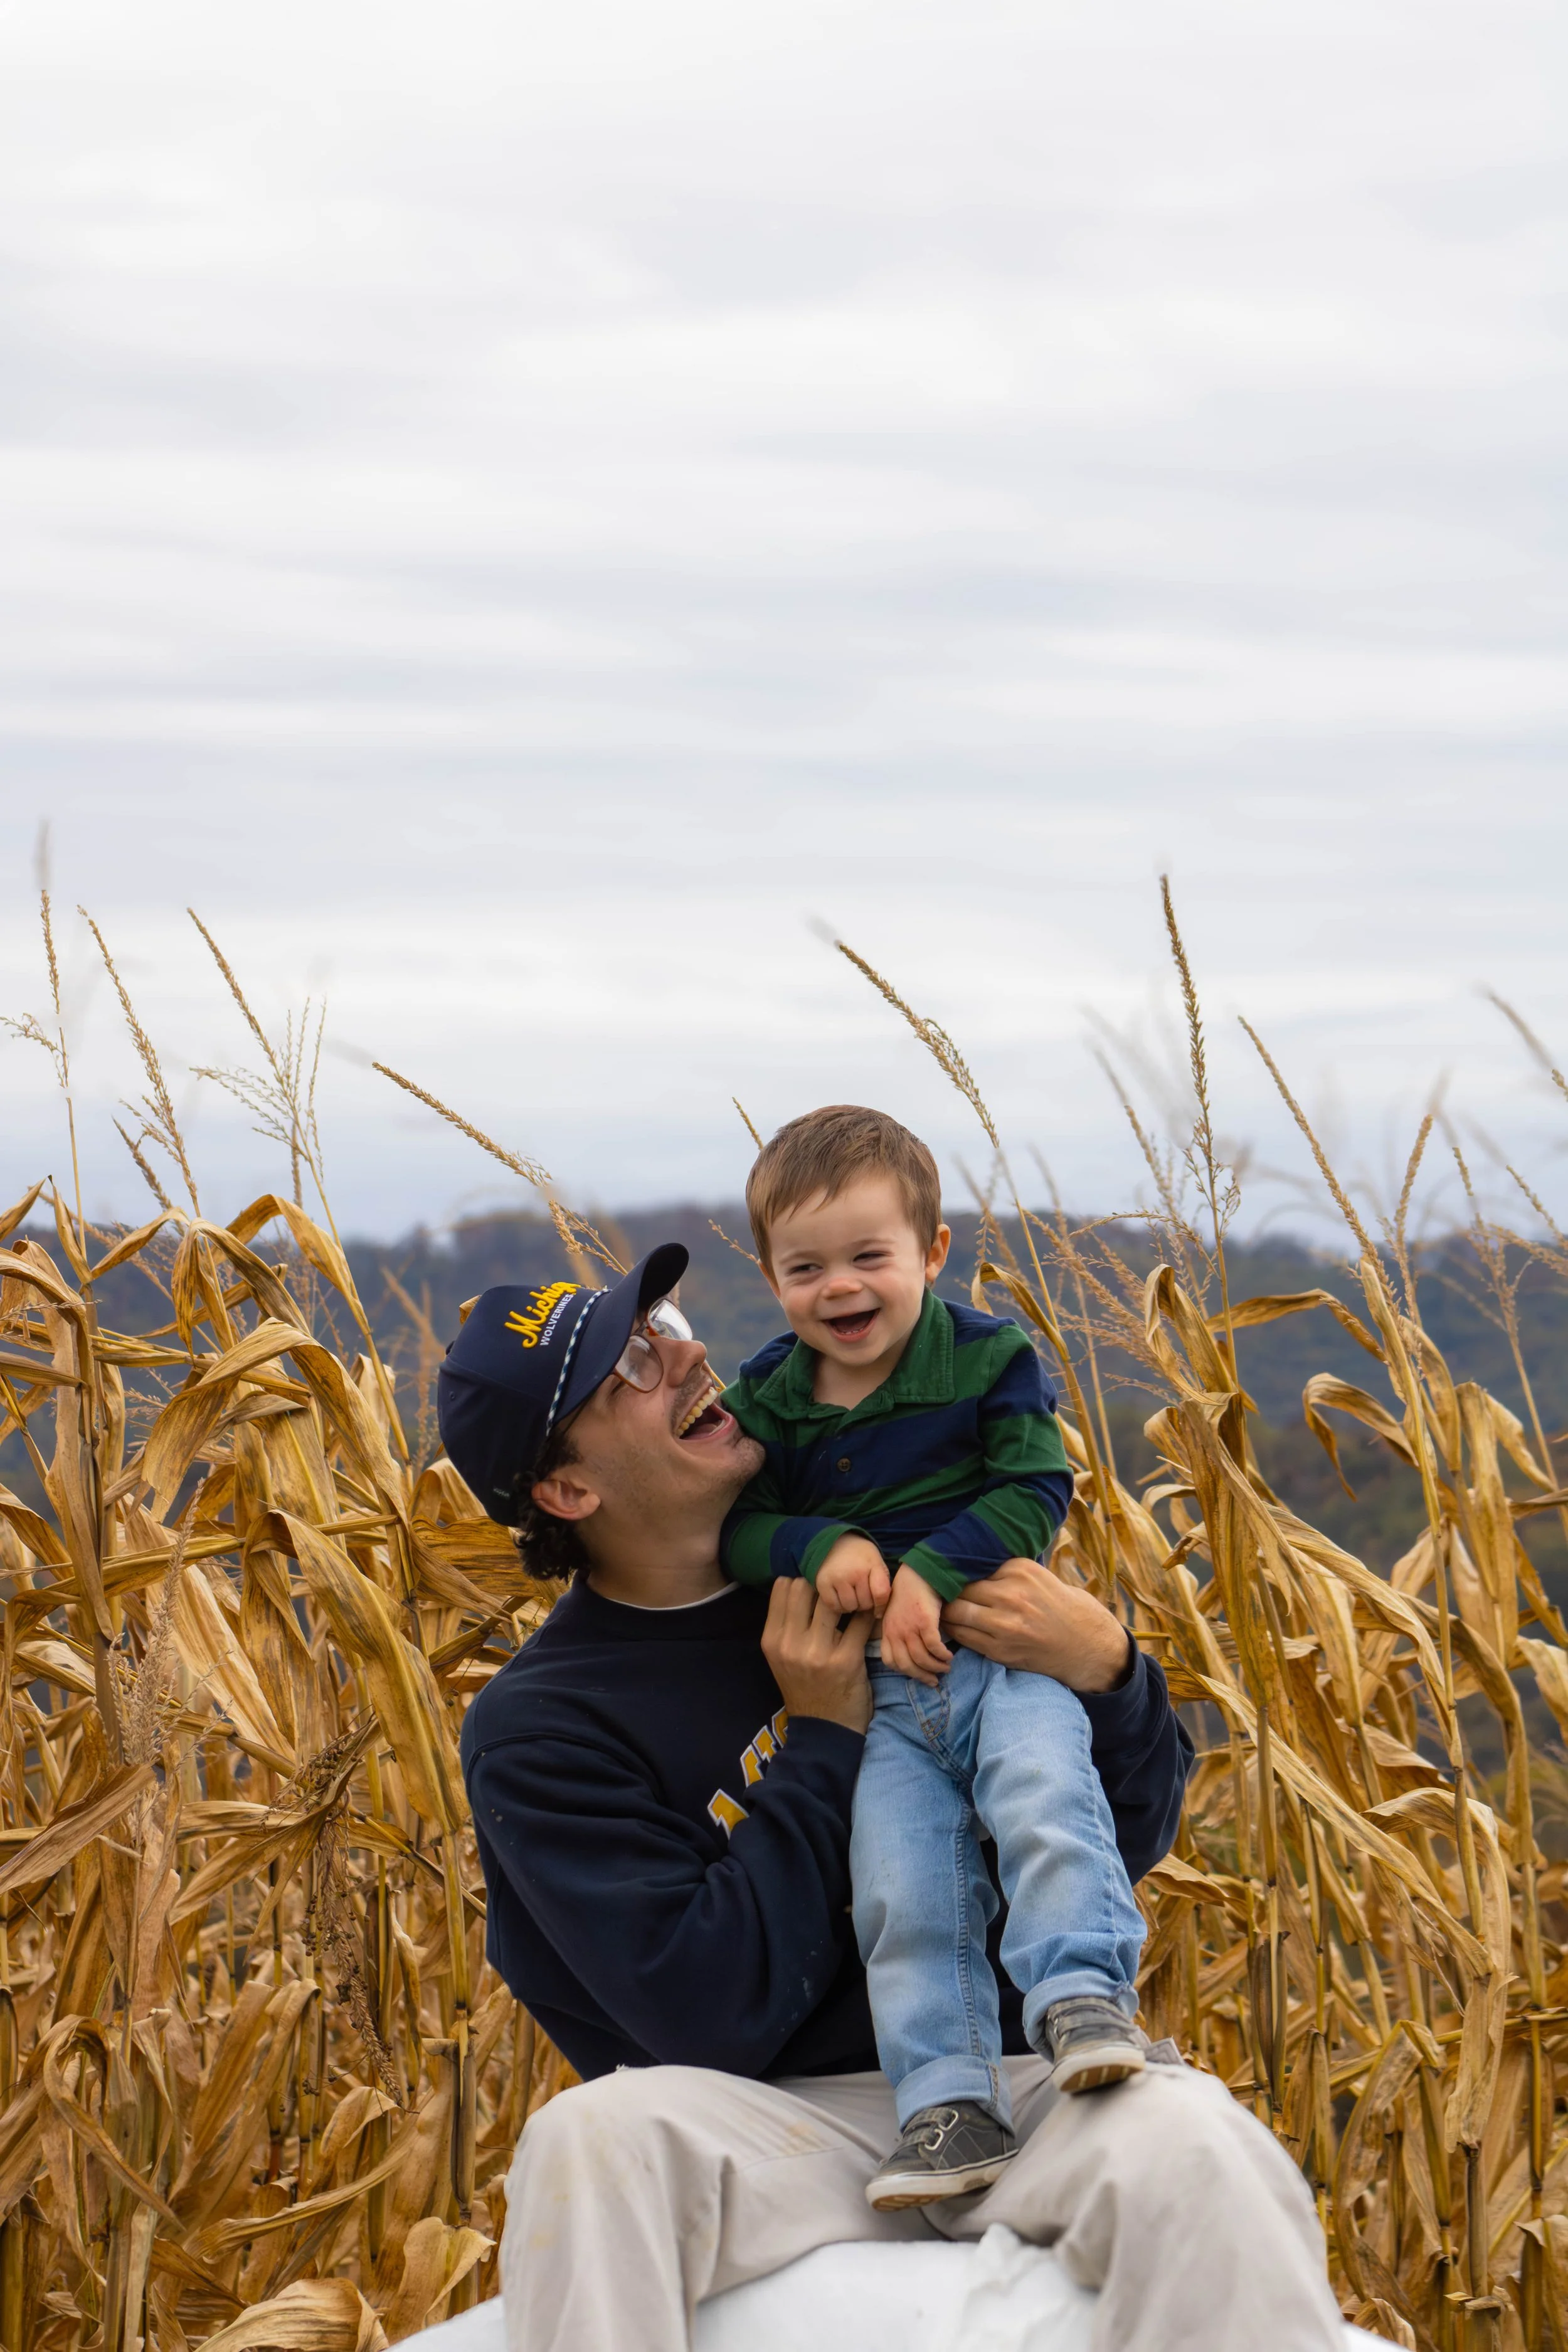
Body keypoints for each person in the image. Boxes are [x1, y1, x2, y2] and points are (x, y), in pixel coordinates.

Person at [438, 1242, 1344, 2352]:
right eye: (628, 1366)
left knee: (1202, 2141)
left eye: (662, 1324)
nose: (684, 1355)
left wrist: (1107, 1673)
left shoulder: (873, 1561)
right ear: (568, 1487)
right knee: (590, 2138)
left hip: (1018, 2074)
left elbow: (1127, 1830)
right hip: (796, 2115)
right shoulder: (545, 1724)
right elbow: (704, 2012)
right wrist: (821, 1735)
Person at [719, 1106, 1147, 2205]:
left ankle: (1082, 1995)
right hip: (886, 1701)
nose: (841, 1288)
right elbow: (741, 1529)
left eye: (870, 1256)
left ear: (933, 1252)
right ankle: (947, 2103)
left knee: (1045, 1796)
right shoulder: (772, 1397)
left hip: (1005, 1662)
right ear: (771, 1275)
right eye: (805, 1266)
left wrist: (932, 1572)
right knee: (901, 1891)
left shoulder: (988, 1357)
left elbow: (1034, 1485)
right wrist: (827, 1541)